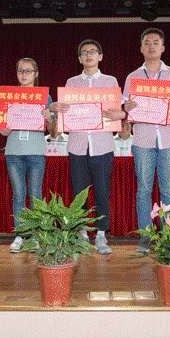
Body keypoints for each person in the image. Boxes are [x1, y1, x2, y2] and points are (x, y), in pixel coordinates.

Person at [50, 40, 124, 254]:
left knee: (102, 191)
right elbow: (65, 112)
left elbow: (118, 111)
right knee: (79, 192)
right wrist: (56, 108)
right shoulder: (71, 83)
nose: (89, 55)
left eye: (93, 52)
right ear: (79, 58)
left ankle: (101, 235)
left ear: (100, 56)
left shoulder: (110, 81)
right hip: (78, 145)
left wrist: (119, 114)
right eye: (84, 52)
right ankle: (81, 233)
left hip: (102, 145)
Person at [123, 28, 170, 253]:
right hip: (143, 140)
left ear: (163, 47)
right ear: (141, 48)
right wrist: (126, 107)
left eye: (156, 42)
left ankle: (169, 235)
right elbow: (125, 107)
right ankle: (146, 235)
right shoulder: (133, 77)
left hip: (169, 139)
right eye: (147, 42)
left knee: (168, 190)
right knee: (143, 190)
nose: (151, 46)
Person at [4, 58, 54, 252]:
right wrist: (3, 128)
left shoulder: (45, 97)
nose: (24, 74)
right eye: (20, 71)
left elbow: (53, 129)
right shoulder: (8, 96)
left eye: (28, 71)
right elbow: (1, 126)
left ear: (36, 74)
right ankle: (20, 235)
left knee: (35, 195)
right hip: (13, 151)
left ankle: (36, 236)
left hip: (36, 151)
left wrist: (49, 119)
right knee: (18, 194)